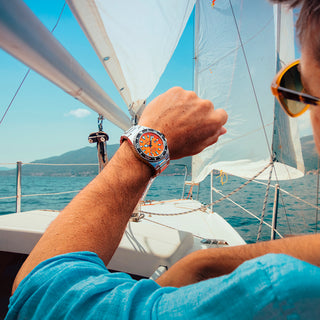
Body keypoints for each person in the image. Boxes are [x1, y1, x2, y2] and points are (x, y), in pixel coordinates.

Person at [5, 0, 320, 318]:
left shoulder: (280, 292)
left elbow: (41, 296)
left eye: (300, 88)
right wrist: (202, 262)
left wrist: (146, 144)